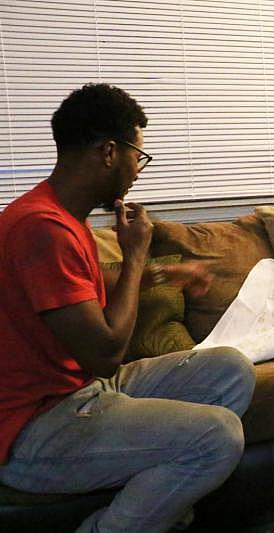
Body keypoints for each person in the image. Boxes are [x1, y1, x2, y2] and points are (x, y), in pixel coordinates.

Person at [0, 83, 256, 532]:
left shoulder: (58, 215)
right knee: (218, 435)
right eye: (138, 154)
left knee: (231, 368)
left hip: (79, 391)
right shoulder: (42, 228)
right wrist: (137, 253)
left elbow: (83, 289)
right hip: (32, 428)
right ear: (108, 151)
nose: (139, 168)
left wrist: (169, 273)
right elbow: (105, 355)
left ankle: (160, 508)